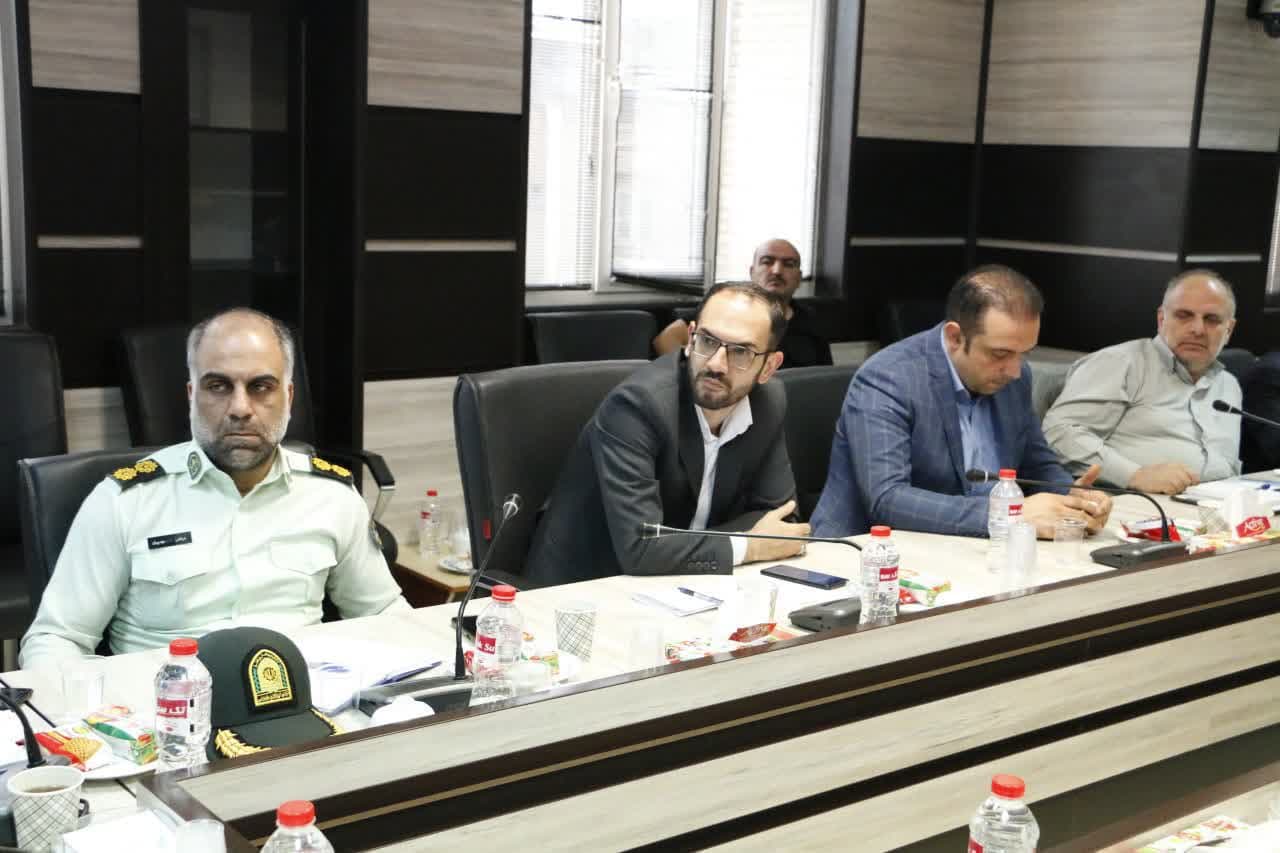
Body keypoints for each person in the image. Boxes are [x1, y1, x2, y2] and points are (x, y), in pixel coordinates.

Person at [20, 308, 409, 671]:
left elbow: (383, 613)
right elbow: (56, 639)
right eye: (219, 386)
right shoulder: (125, 501)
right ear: (192, 396)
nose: (240, 408)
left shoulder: (332, 496)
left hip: (302, 701)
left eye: (261, 386)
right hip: (164, 707)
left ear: (288, 398)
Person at [525, 282, 808, 587]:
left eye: (740, 351)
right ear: (689, 338)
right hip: (584, 589)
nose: (716, 364)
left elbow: (781, 521)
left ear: (768, 367)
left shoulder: (768, 403)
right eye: (707, 341)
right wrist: (748, 545)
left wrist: (678, 548)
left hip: (687, 586)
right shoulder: (637, 407)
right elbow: (641, 548)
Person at [810, 265, 1113, 539]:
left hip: (978, 549)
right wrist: (1008, 515)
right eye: (1000, 354)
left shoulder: (1015, 379)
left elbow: (1037, 464)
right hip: (867, 554)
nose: (1014, 370)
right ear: (955, 337)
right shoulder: (888, 379)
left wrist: (1072, 498)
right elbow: (887, 500)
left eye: (1024, 354)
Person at [1042, 270, 1242, 494]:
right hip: (1136, 504)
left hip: (1218, 505)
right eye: (1184, 315)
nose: (1198, 329)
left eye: (1212, 320)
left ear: (1229, 330)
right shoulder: (1120, 364)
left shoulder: (1229, 385)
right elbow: (1059, 433)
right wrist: (1135, 475)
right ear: (1161, 319)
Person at [652, 238, 833, 368]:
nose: (777, 271)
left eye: (788, 264)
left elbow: (823, 378)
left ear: (799, 278)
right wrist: (698, 373)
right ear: (752, 272)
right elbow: (666, 339)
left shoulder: (812, 321)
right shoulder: (727, 307)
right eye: (767, 262)